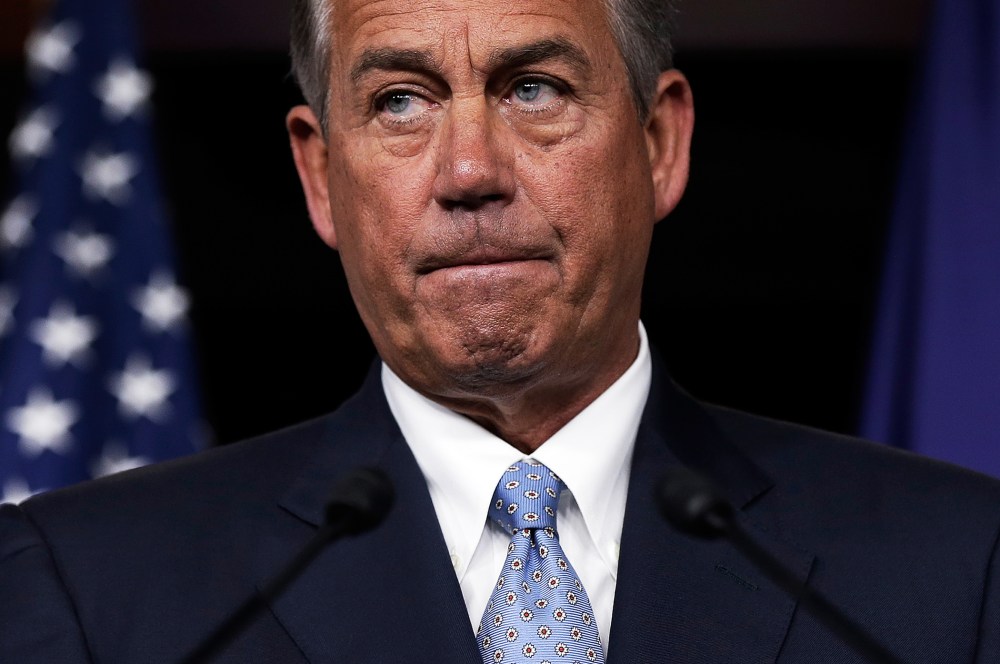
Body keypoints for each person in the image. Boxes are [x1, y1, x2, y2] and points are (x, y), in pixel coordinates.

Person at [2, 0, 999, 661]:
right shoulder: (89, 589)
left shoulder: (955, 567)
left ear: (658, 143)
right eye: (400, 101)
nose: (469, 169)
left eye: (534, 89)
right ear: (318, 176)